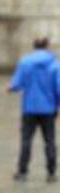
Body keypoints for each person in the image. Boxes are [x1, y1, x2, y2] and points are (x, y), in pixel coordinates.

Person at [8, 37, 60, 183]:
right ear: (47, 46)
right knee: (50, 141)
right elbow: (59, 88)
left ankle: (22, 171)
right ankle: (51, 172)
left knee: (26, 140)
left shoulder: (25, 62)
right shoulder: (55, 64)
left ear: (34, 46)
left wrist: (10, 88)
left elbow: (17, 83)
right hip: (48, 109)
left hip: (29, 108)